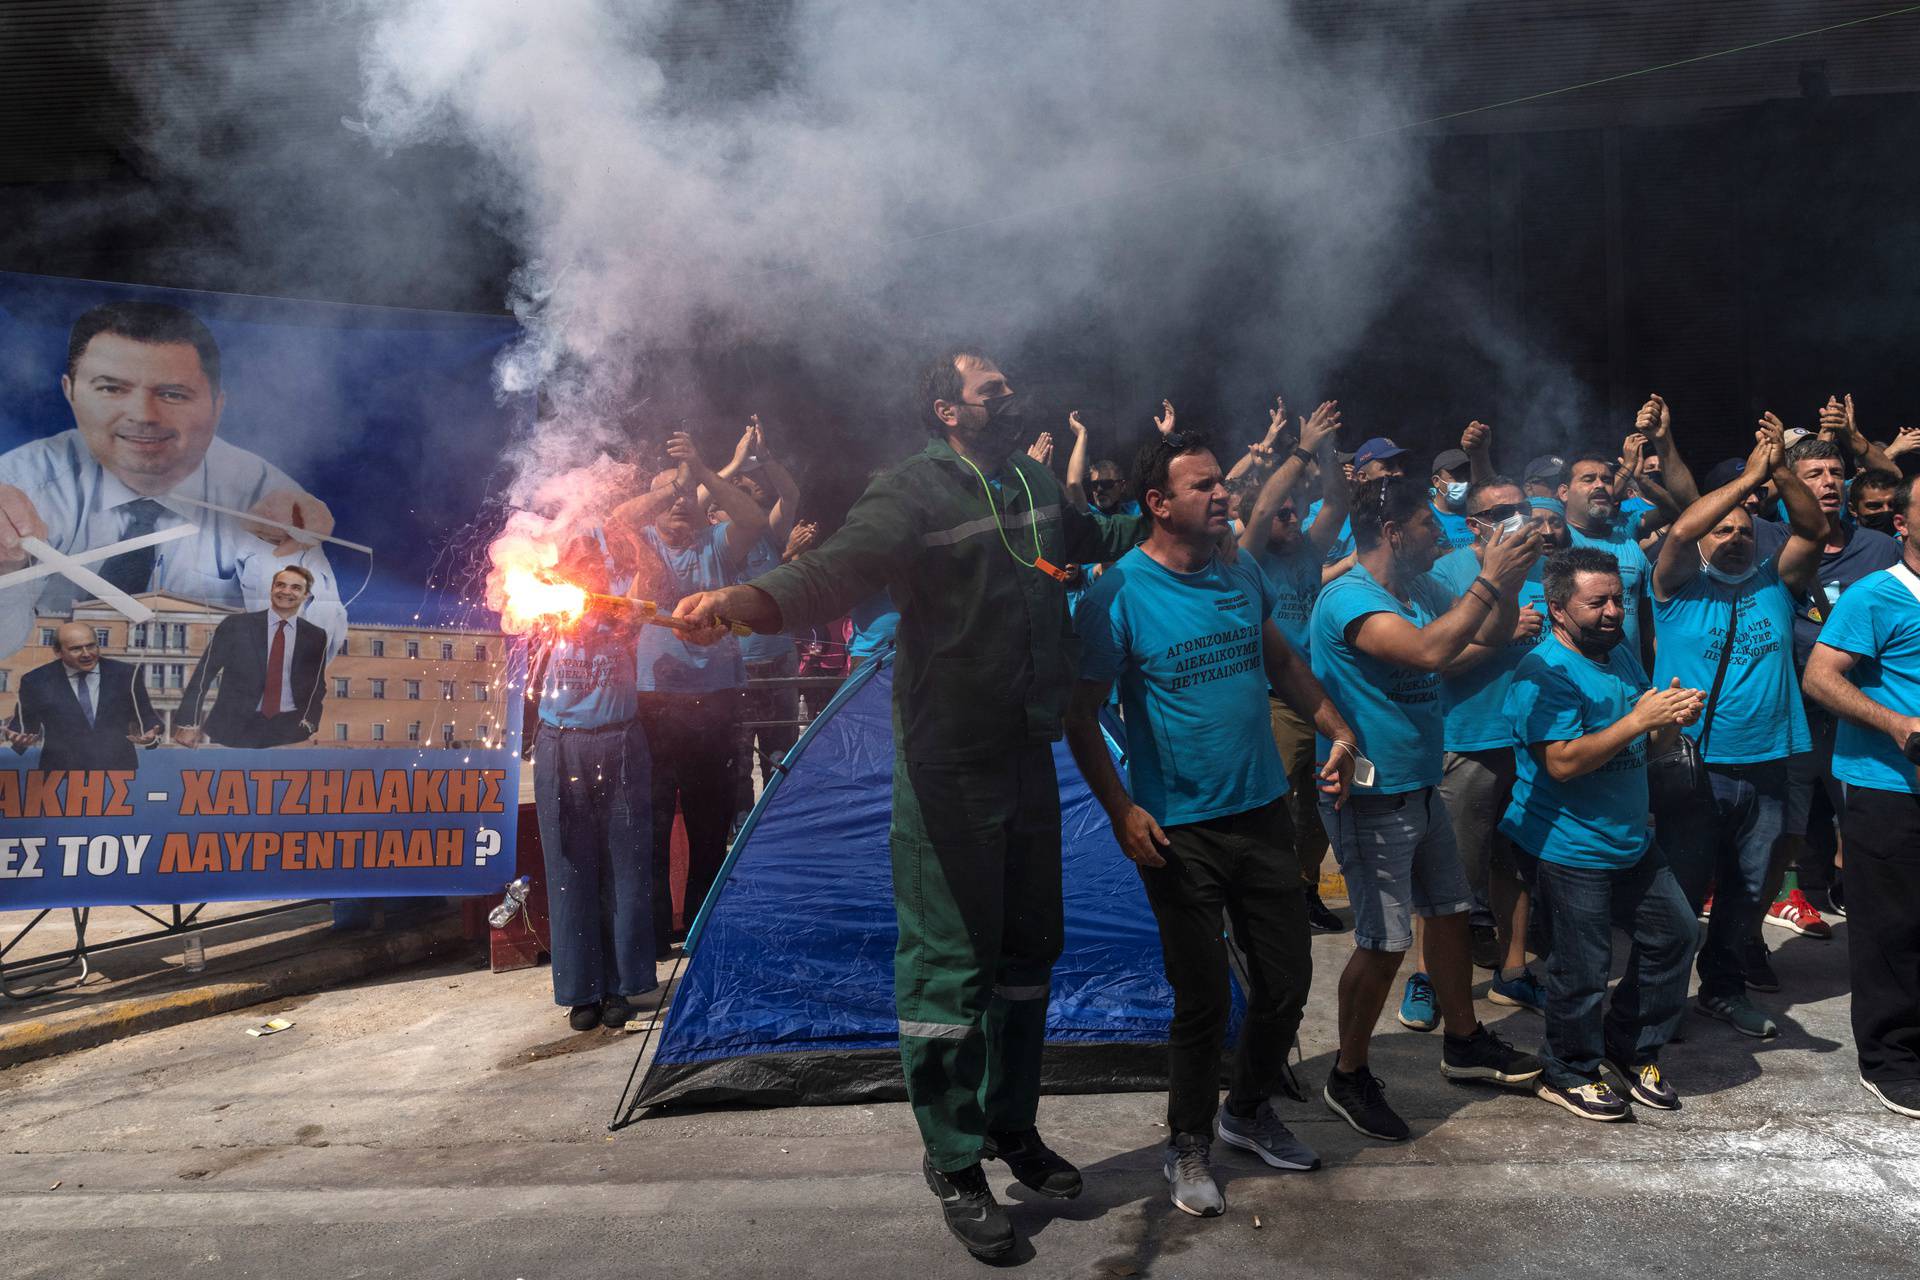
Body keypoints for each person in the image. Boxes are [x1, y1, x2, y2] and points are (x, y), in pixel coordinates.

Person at [673, 348, 1146, 1261]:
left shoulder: (1032, 478)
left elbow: (1091, 537)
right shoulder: (912, 493)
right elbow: (833, 572)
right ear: (947, 409)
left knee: (1026, 952)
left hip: (1026, 754)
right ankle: (955, 1160)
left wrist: (1174, 537)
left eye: (1010, 387)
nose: (1009, 400)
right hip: (948, 769)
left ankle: (1013, 1126)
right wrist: (743, 601)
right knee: (948, 968)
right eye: (990, 392)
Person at [1066, 428, 1355, 1218]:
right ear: (1157, 504)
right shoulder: (1115, 595)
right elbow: (1080, 717)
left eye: (1222, 482)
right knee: (1199, 999)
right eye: (1204, 486)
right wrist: (1121, 810)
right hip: (1178, 831)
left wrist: (1336, 728)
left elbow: (1285, 662)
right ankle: (1186, 1141)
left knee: (1288, 983)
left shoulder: (1240, 568)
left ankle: (1248, 1109)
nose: (1224, 495)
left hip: (1262, 813)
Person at [1308, 474, 1544, 1143]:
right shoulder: (1348, 598)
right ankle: (1347, 1074)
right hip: (1371, 795)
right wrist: (1489, 578)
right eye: (1427, 525)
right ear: (1392, 531)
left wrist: (1510, 577)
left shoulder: (1420, 587)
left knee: (1447, 913)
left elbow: (1489, 633)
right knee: (1383, 943)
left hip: (1421, 781)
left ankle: (1464, 1042)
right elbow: (1429, 651)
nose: (1440, 535)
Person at [0, 300, 345, 657]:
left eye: (173, 394)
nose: (143, 415)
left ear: (216, 405)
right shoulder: (18, 484)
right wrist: (3, 567)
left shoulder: (268, 497)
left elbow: (314, 653)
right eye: (111, 388)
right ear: (70, 391)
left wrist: (275, 553)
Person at [1504, 547, 1704, 1120]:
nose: (1614, 611)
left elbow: (1646, 745)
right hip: (1569, 844)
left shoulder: (1619, 657)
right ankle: (1567, 1068)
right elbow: (1562, 763)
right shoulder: (1543, 673)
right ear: (1559, 609)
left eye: (1618, 599)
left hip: (1628, 838)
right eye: (1598, 602)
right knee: (1582, 965)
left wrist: (1668, 722)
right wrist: (1639, 720)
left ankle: (1629, 1044)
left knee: (1676, 934)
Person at [1649, 421, 1826, 1040]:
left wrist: (1779, 471)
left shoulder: (1776, 583)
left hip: (1768, 762)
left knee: (1749, 892)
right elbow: (1679, 531)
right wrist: (1746, 480)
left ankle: (1722, 990)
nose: (1733, 537)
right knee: (1681, 892)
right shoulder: (1674, 586)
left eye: (1744, 530)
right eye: (1721, 529)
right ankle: (1660, 1000)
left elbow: (1813, 529)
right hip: (1696, 766)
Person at [609, 431, 768, 955]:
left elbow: (752, 520)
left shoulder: (715, 544)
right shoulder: (642, 545)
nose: (679, 503)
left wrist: (701, 473)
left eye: (687, 498)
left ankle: (703, 932)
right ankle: (653, 937)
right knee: (652, 823)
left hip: (718, 699)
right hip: (653, 702)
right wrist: (673, 484)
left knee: (710, 822)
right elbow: (618, 521)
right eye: (669, 497)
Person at [1802, 471, 1920, 1119]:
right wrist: (1898, 724)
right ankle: (1891, 1059)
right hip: (1887, 788)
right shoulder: (1877, 594)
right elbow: (1820, 677)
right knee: (1891, 929)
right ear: (1900, 524)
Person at [1431, 480, 1571, 1013]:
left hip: (1532, 742)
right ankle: (1428, 978)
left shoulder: (1548, 568)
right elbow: (1436, 659)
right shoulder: (1447, 574)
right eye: (1503, 511)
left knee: (1514, 864)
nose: (1520, 518)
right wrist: (1503, 636)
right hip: (1469, 738)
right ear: (1476, 524)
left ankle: (1513, 970)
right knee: (1449, 872)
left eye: (1523, 508)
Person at [521, 532, 655, 1032]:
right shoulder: (544, 606)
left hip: (620, 741)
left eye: (595, 560)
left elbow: (649, 587)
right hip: (561, 743)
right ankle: (582, 991)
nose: (588, 568)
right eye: (578, 561)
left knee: (625, 865)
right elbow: (514, 609)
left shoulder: (624, 601)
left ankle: (622, 986)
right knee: (570, 867)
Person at [1773, 438, 1900, 933]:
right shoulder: (1768, 541)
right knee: (1786, 814)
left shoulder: (1879, 547)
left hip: (1861, 704)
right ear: (1788, 485)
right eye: (1813, 474)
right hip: (1794, 707)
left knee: (1864, 810)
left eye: (1835, 472)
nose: (1828, 482)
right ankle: (1784, 898)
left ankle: (1865, 896)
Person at [1239, 399, 1347, 932]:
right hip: (1279, 703)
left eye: (1294, 511)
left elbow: (1336, 504)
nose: (1293, 517)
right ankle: (1270, 898)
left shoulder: (1307, 551)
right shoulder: (1249, 557)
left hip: (1324, 700)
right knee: (1278, 806)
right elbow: (1261, 511)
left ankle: (1304, 888)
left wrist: (1325, 454)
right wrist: (1300, 449)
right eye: (1285, 513)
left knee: (1322, 806)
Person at [717, 418, 806, 799]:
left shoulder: (767, 533)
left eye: (756, 492)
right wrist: (734, 467)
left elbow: (790, 494)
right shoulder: (710, 543)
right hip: (734, 668)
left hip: (778, 663)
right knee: (735, 761)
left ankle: (776, 826)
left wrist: (765, 457)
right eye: (744, 491)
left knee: (780, 756)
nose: (755, 497)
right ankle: (738, 832)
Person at [173, 565, 329, 748]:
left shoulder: (316, 636)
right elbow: (204, 673)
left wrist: (310, 723)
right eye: (280, 585)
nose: (286, 591)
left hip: (290, 730)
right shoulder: (236, 625)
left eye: (296, 587)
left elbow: (317, 686)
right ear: (272, 589)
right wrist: (188, 722)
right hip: (234, 727)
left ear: (306, 596)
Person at [5, 621, 161, 770]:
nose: (87, 654)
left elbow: (148, 719)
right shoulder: (35, 680)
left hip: (118, 773)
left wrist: (150, 736)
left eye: (91, 646)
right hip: (60, 774)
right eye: (76, 649)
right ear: (58, 652)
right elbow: (23, 725)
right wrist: (18, 737)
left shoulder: (127, 674)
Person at [1560, 451, 1654, 660]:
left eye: (1607, 480)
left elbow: (1648, 623)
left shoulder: (1629, 544)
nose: (1600, 485)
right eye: (1588, 479)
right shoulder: (1556, 541)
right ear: (1564, 493)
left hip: (1630, 676)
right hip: (1575, 674)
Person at [1429, 447, 1475, 551]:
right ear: (1436, 481)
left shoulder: (1475, 510)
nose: (1463, 482)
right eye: (1456, 477)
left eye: (1466, 476)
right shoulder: (1428, 516)